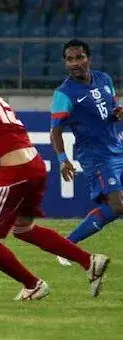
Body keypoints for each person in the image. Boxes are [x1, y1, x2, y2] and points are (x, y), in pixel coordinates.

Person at [0, 53, 109, 300]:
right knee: (23, 228)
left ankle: (33, 285)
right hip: (34, 166)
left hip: (16, 172)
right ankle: (89, 261)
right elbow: (5, 149)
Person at [50, 39, 123, 266]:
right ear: (65, 63)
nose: (75, 63)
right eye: (69, 59)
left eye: (79, 57)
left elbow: (110, 111)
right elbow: (55, 131)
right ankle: (65, 246)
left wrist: (118, 112)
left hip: (117, 147)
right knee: (116, 205)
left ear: (88, 58)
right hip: (96, 157)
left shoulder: (104, 79)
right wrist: (63, 160)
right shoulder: (64, 93)